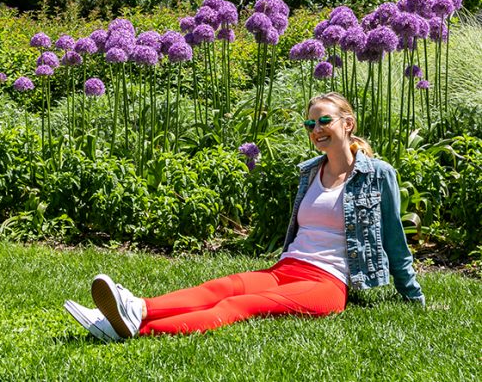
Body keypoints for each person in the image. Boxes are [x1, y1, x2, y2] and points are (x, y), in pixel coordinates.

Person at [64, 92, 425, 342]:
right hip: (286, 269)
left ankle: (125, 329)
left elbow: (394, 239)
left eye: (324, 121)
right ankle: (138, 308)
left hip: (326, 284)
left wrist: (412, 295)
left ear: (348, 124)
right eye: (309, 125)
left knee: (237, 305)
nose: (315, 130)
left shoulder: (378, 175)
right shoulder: (309, 173)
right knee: (219, 287)